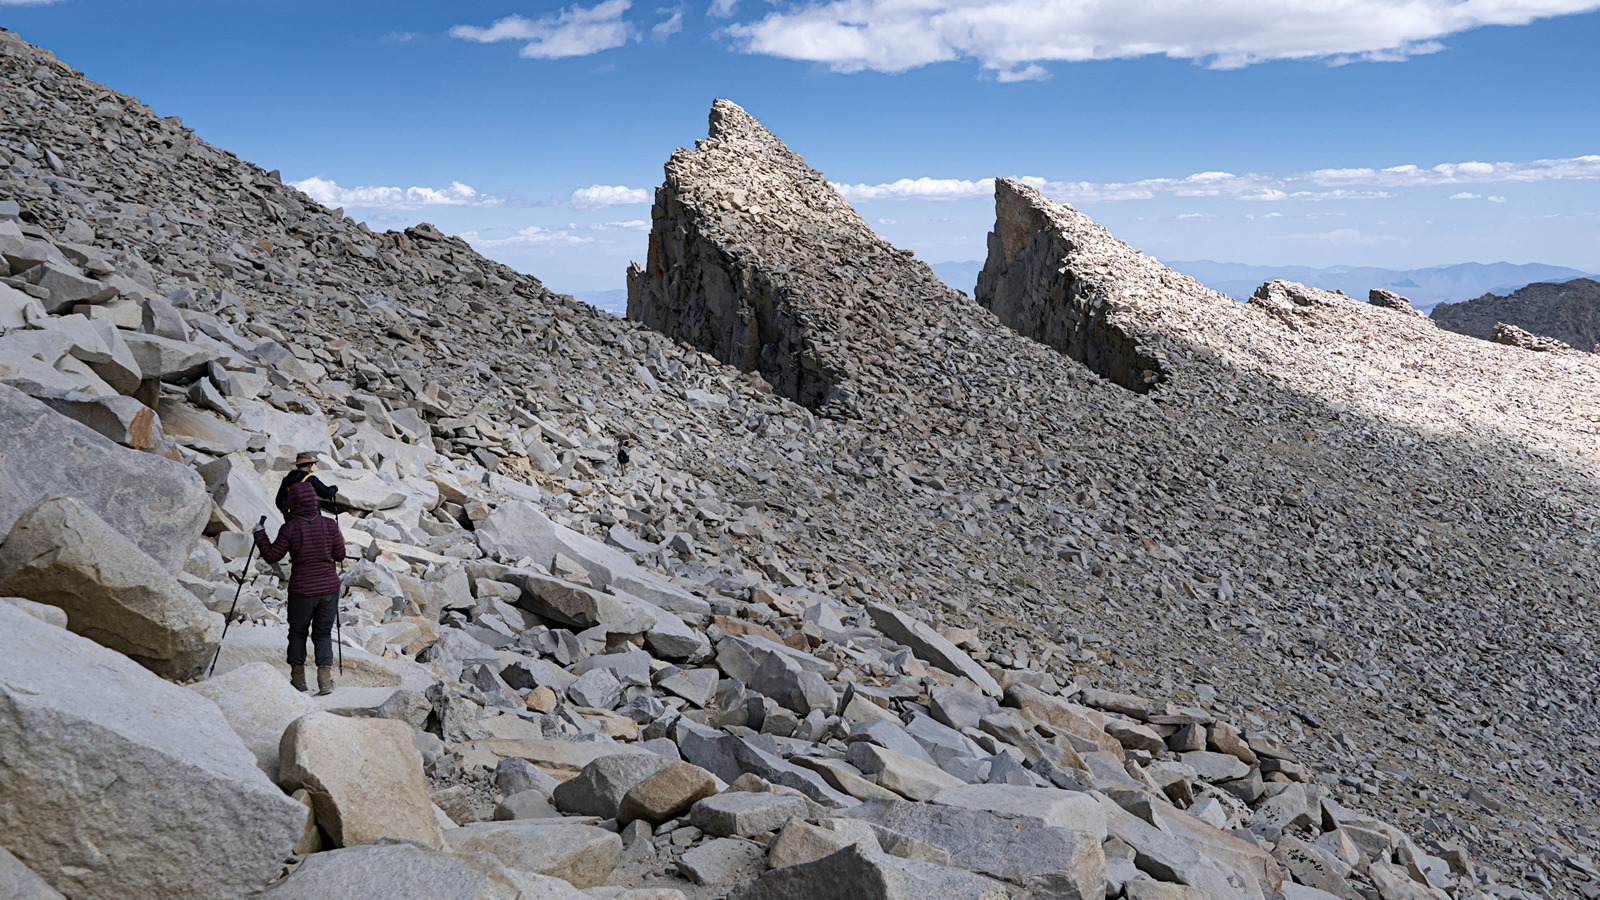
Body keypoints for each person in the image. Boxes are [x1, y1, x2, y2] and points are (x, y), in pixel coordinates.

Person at [253, 480, 345, 694]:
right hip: (329, 588)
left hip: (302, 590)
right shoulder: (330, 525)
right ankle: (325, 682)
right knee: (323, 633)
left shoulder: (290, 528)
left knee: (297, 633)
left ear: (292, 503)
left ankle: (298, 681)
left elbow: (272, 555)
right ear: (314, 501)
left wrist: (260, 533)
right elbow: (340, 555)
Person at [275, 451, 338, 516]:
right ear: (309, 465)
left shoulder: (287, 479)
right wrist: (334, 489)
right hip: (310, 516)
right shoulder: (310, 479)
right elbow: (326, 493)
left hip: (292, 517)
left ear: (297, 465)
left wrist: (287, 512)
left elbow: (279, 500)